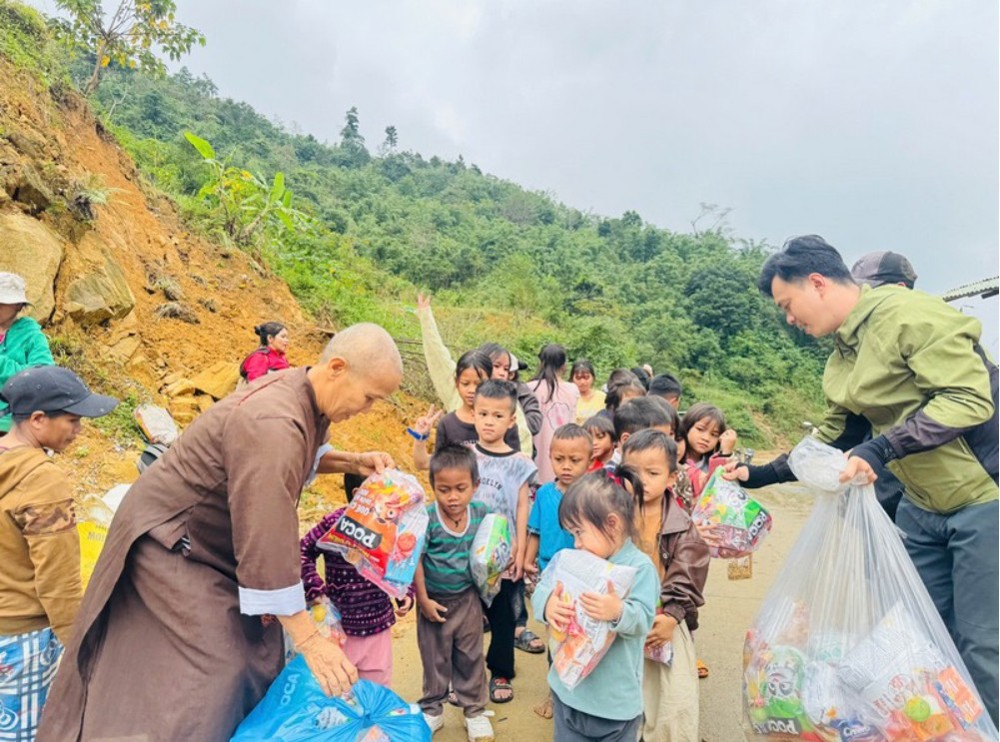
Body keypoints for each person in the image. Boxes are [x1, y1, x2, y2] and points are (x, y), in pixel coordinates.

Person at [38, 324, 405, 742]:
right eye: (370, 397)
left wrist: (352, 461)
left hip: (208, 544)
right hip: (171, 541)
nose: (369, 409)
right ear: (338, 367)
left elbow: (301, 456)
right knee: (217, 671)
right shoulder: (274, 422)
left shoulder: (305, 393)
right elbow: (267, 535)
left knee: (242, 656)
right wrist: (311, 640)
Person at [736, 234, 998, 723]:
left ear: (816, 283)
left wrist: (883, 446)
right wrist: (760, 474)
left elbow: (969, 399)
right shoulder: (842, 357)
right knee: (919, 640)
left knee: (983, 645)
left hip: (984, 500)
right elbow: (837, 435)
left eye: (788, 305)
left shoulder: (910, 316)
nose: (789, 319)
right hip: (923, 511)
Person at [0, 366, 117, 742]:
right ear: (37, 420)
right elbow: (59, 583)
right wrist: (82, 647)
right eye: (71, 420)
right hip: (22, 640)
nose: (79, 430)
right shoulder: (43, 480)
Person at [532, 470, 658, 742]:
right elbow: (542, 588)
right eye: (572, 533)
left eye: (579, 532)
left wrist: (618, 611)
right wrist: (548, 605)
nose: (575, 542)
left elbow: (644, 620)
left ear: (611, 523)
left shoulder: (639, 568)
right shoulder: (575, 559)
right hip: (568, 694)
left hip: (613, 705)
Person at [622, 430, 709, 742]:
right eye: (633, 472)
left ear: (672, 477)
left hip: (665, 618)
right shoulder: (613, 514)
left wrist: (672, 615)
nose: (642, 480)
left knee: (673, 697)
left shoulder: (682, 525)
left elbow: (689, 570)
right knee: (626, 688)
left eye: (653, 472)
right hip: (622, 614)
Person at [415, 446, 494, 741]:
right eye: (443, 489)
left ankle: (474, 711)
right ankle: (432, 708)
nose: (452, 497)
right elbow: (416, 560)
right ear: (432, 486)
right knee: (434, 657)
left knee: (470, 656)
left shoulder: (482, 513)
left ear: (475, 485)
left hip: (468, 599)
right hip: (433, 601)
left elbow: (494, 548)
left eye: (461, 489)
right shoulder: (426, 518)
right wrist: (422, 600)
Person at [469, 380, 537, 703]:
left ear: (511, 421)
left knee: (503, 616)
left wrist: (521, 548)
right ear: (473, 413)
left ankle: (500, 672)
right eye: (482, 413)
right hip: (466, 553)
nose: (488, 421)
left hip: (504, 554)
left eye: (497, 416)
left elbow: (523, 506)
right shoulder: (466, 455)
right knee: (466, 618)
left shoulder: (520, 463)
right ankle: (466, 676)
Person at [299, 504, 415, 686]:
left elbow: (404, 561)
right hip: (340, 630)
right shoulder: (335, 522)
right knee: (340, 689)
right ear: (358, 493)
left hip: (378, 628)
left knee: (377, 692)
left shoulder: (393, 526)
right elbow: (303, 550)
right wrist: (314, 588)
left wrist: (405, 592)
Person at [524, 423, 593, 719]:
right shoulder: (543, 495)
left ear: (590, 460)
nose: (566, 466)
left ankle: (583, 696)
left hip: (585, 576)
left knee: (584, 636)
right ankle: (556, 696)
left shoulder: (593, 494)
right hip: (551, 577)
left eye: (574, 460)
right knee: (556, 635)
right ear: (549, 456)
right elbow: (535, 531)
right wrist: (528, 560)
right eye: (559, 459)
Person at [415, 294, 538, 456]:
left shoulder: (507, 405)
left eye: (506, 368)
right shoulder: (452, 409)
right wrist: (425, 317)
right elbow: (439, 357)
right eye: (497, 366)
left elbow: (523, 449)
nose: (472, 389)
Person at [848, 251, 919, 521]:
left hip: (907, 509)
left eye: (870, 293)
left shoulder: (919, 349)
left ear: (899, 292)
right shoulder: (865, 351)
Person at [411, 350, 521, 468]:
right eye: (465, 383)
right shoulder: (448, 424)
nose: (471, 390)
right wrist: (420, 437)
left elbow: (515, 468)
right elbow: (423, 463)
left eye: (478, 384)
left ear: (490, 381)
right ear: (456, 383)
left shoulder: (504, 423)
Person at [0, 273, 54, 433]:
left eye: (2, 302)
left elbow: (43, 374)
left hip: (13, 423)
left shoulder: (30, 334)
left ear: (18, 305)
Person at [529, 344, 580, 484]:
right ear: (564, 365)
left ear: (541, 362)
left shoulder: (531, 388)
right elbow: (572, 424)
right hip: (565, 457)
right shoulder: (572, 389)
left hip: (535, 459)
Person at [678, 402, 737, 499]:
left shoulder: (713, 466)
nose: (706, 438)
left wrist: (726, 453)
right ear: (687, 427)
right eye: (700, 429)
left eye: (714, 434)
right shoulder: (674, 459)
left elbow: (719, 489)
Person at [571, 360, 605, 424]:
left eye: (586, 377)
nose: (582, 382)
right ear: (572, 379)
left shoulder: (602, 397)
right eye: (578, 378)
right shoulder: (569, 398)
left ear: (593, 378)